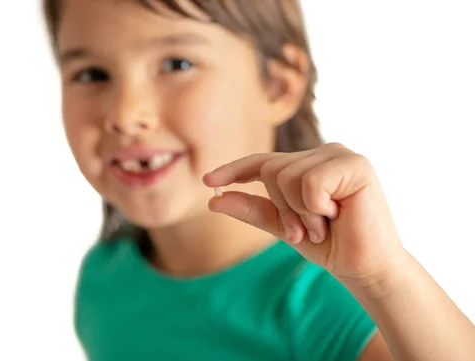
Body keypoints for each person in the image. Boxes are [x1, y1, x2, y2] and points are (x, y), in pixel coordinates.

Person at [42, 1, 475, 360]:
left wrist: (382, 278)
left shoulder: (332, 306)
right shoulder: (103, 281)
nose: (124, 114)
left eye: (177, 64)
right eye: (91, 74)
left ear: (278, 86)